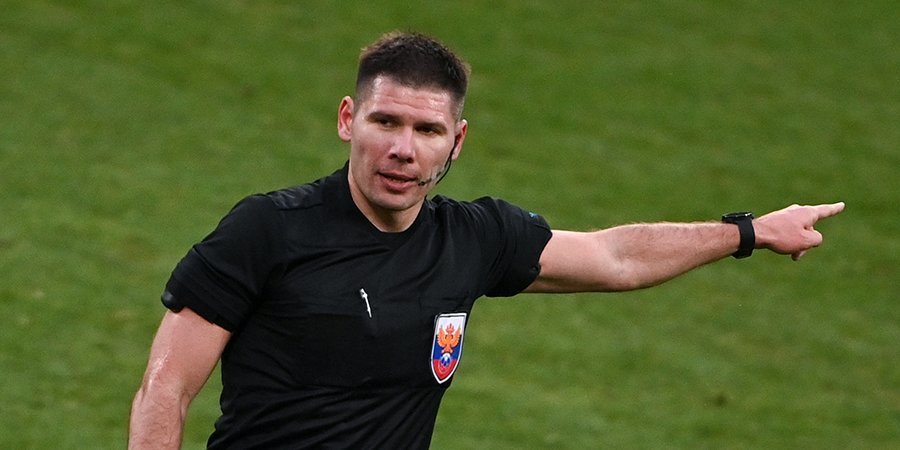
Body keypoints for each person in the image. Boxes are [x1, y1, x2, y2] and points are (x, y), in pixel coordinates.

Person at [128, 31, 844, 449]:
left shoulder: (474, 238)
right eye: (386, 122)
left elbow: (615, 257)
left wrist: (748, 231)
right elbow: (166, 386)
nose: (403, 149)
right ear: (348, 119)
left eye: (427, 130)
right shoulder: (269, 229)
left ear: (457, 141)